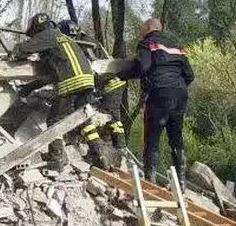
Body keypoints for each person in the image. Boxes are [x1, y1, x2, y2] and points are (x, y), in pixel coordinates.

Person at [11, 12, 104, 166]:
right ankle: (99, 153)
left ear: (38, 28)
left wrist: (15, 54)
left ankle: (56, 158)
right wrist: (28, 88)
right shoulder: (64, 39)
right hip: (87, 81)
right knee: (83, 119)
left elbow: (24, 48)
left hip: (72, 83)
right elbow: (50, 76)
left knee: (54, 119)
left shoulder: (48, 35)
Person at [119, 17, 194, 182]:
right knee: (176, 139)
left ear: (148, 28)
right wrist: (176, 87)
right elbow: (190, 75)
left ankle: (150, 181)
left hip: (158, 95)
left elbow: (142, 67)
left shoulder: (148, 43)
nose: (140, 34)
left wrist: (122, 76)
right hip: (180, 95)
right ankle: (181, 185)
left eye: (141, 30)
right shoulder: (177, 45)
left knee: (152, 139)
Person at [59, 20, 126, 150]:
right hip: (115, 80)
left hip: (110, 82)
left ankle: (100, 147)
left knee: (103, 113)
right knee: (113, 115)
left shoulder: (83, 44)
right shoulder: (89, 41)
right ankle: (118, 145)